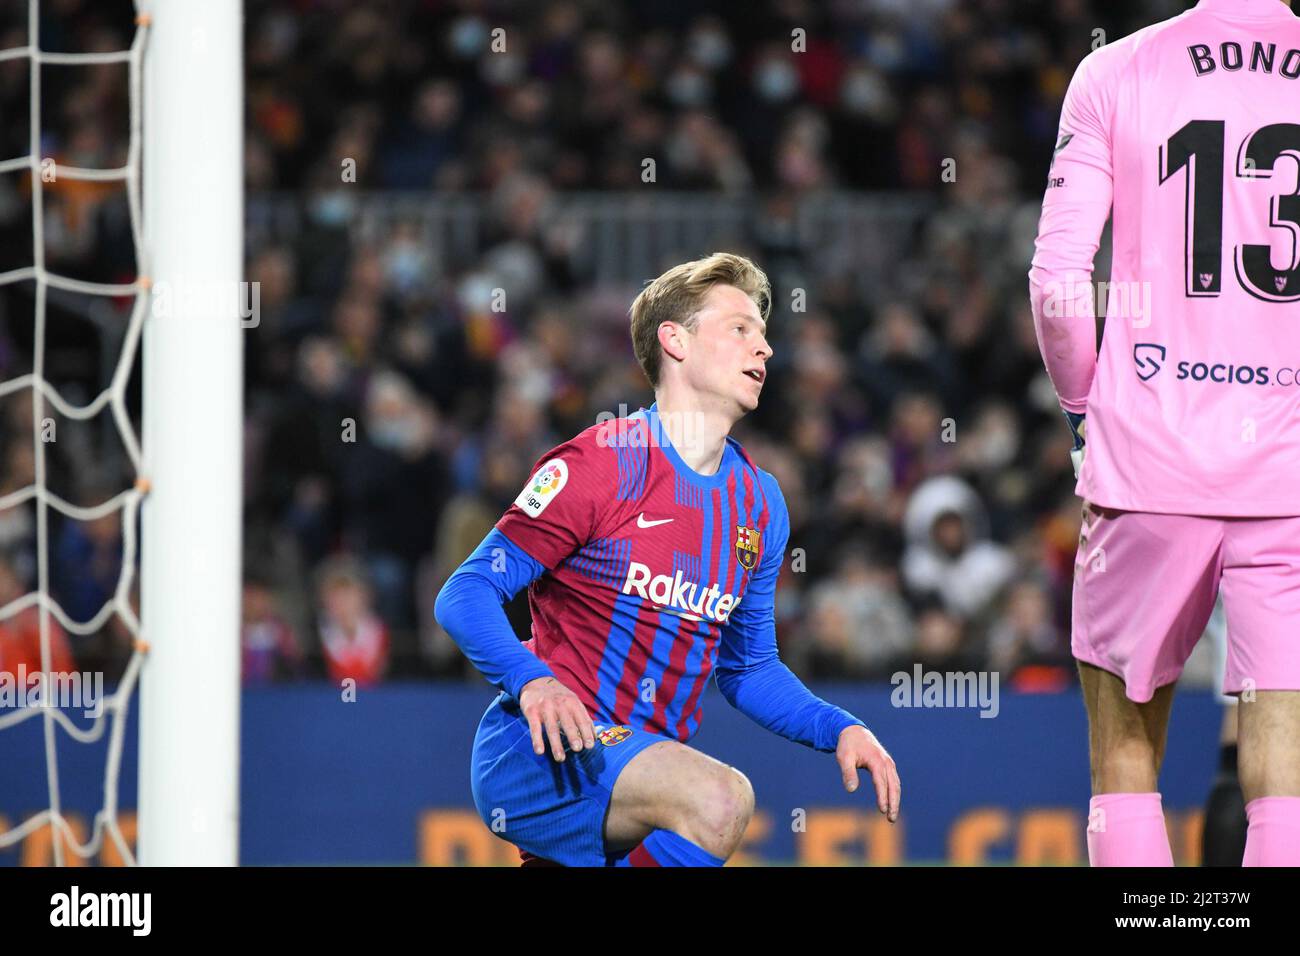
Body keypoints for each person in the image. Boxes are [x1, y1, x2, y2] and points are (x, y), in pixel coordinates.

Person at [435, 252, 900, 867]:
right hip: (538, 751)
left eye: (764, 333)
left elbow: (749, 667)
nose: (764, 349)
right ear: (674, 341)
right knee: (720, 799)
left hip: (634, 779)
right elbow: (464, 592)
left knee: (705, 803)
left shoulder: (760, 504)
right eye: (740, 328)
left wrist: (839, 727)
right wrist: (533, 682)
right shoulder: (599, 466)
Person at [1029, 0, 1300, 866]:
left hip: (1146, 458)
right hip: (1290, 470)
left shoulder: (1115, 70)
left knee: (1124, 759)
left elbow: (1059, 284)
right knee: (1283, 766)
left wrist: (1083, 412)